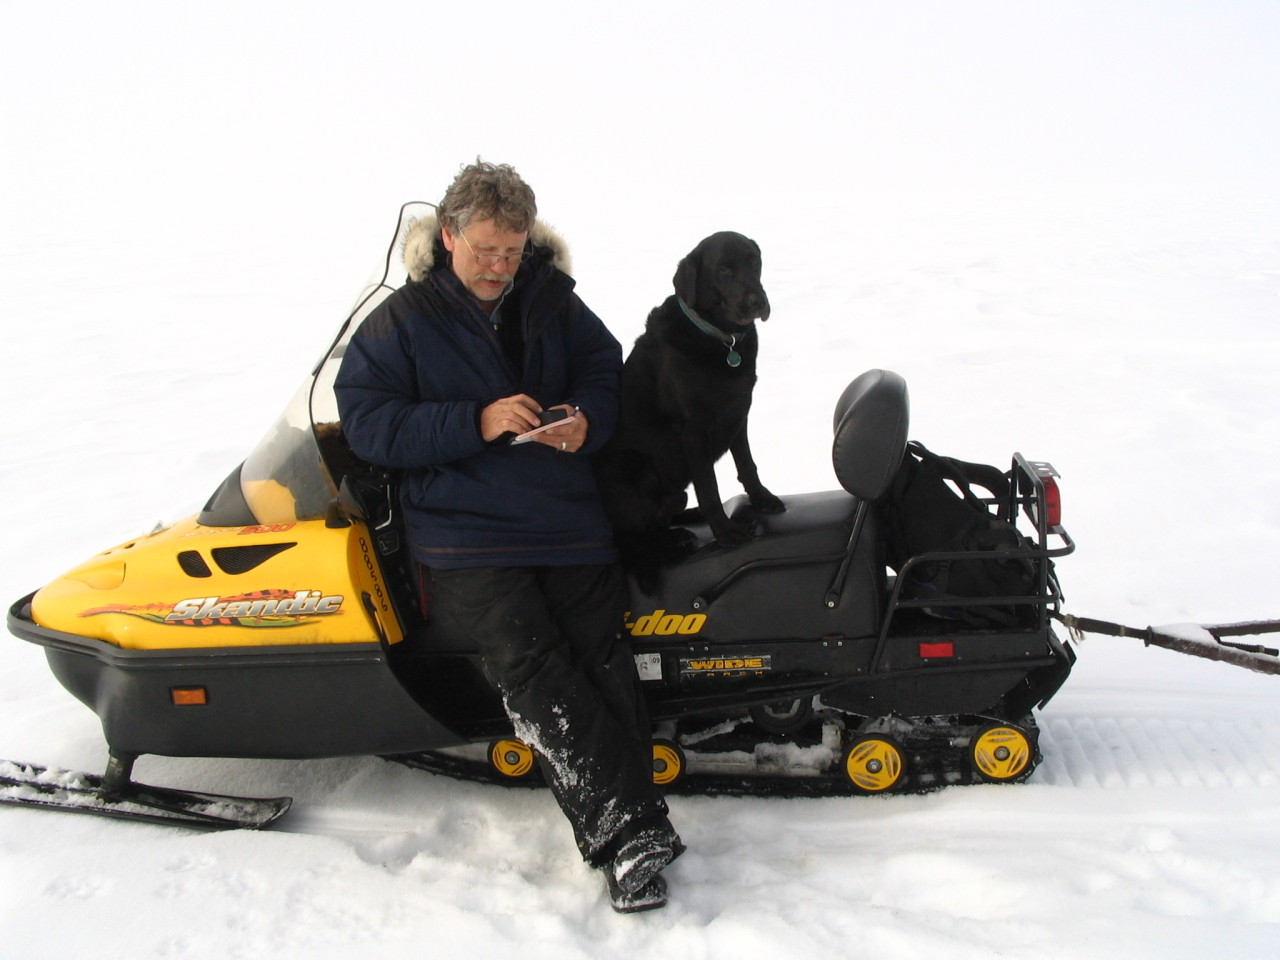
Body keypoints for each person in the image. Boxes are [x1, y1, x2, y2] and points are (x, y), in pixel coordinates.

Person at [334, 160, 682, 913]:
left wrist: (588, 419)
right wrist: (475, 420)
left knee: (602, 662)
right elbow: (367, 420)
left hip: (567, 521)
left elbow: (602, 367)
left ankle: (629, 823)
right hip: (466, 534)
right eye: (484, 250)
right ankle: (630, 835)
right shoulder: (401, 323)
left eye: (511, 251)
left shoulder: (553, 300)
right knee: (533, 670)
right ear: (448, 235)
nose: (498, 267)